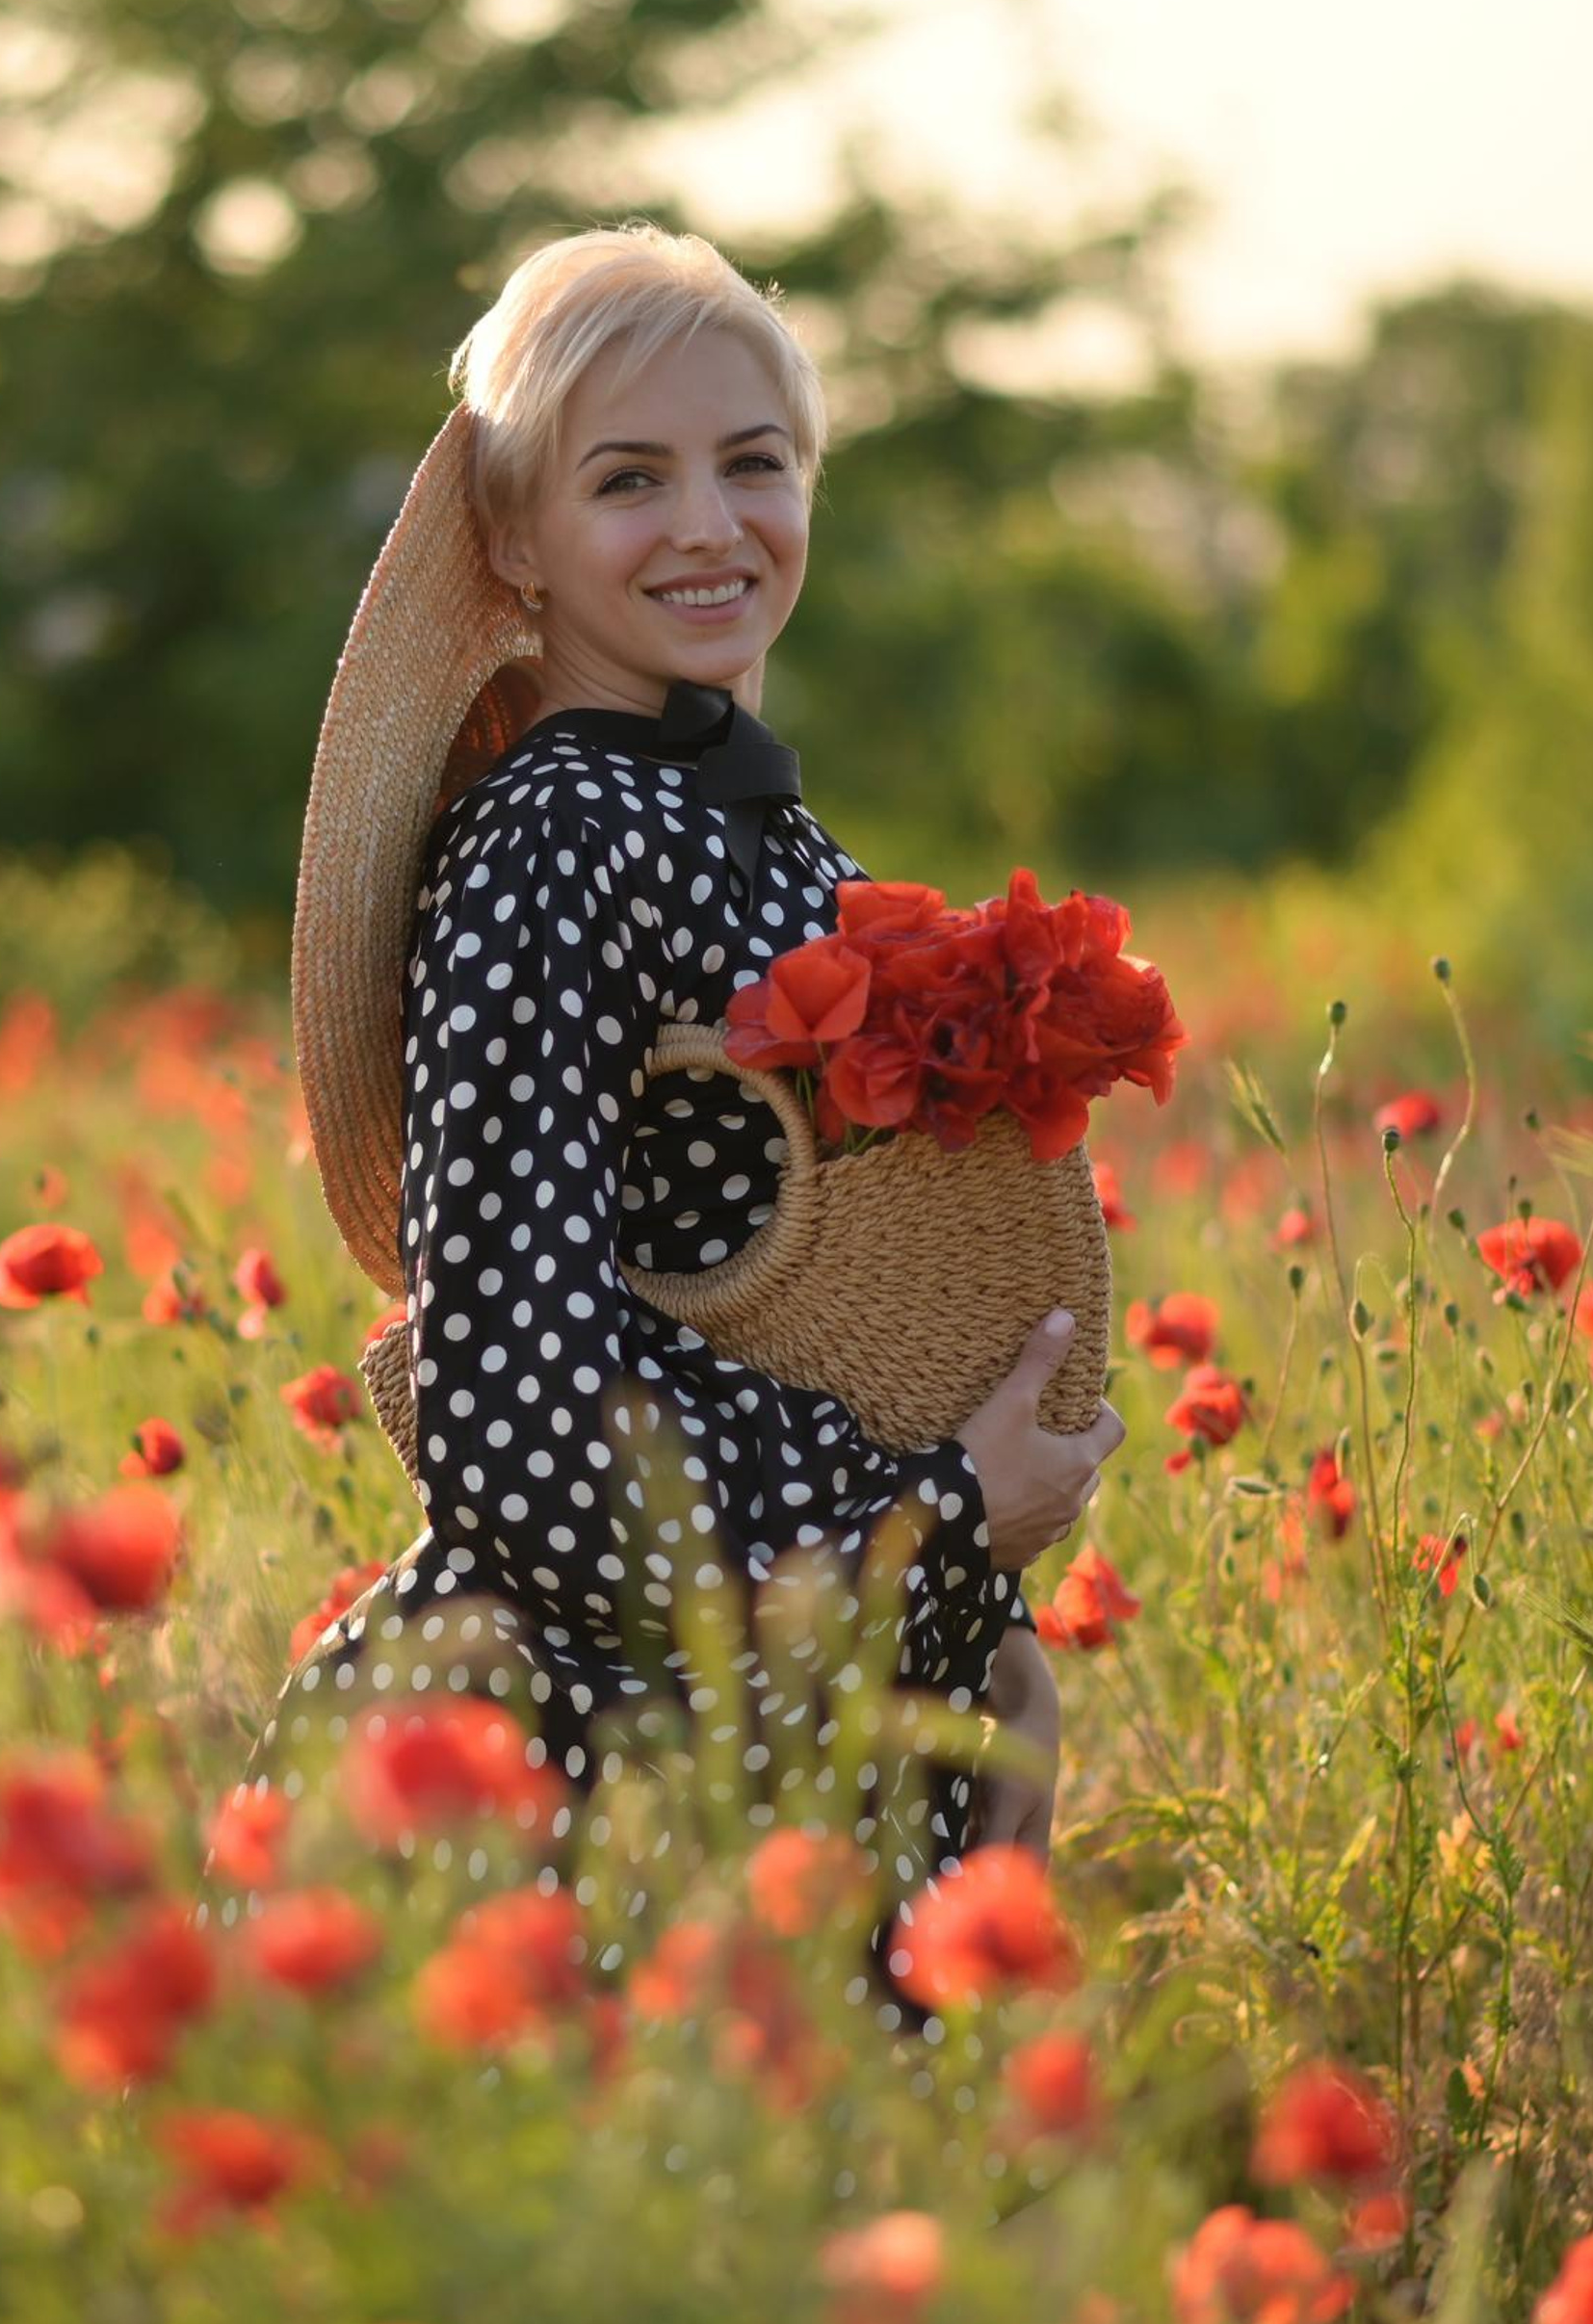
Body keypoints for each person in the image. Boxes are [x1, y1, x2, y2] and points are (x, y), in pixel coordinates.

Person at [204, 222, 1124, 2039]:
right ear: (515, 544)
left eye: (753, 462)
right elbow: (511, 1399)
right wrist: (942, 1525)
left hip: (774, 1713)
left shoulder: (746, 823)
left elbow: (768, 1300)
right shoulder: (561, 837)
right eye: (630, 479)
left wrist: (973, 1634)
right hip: (591, 1747)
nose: (709, 523)